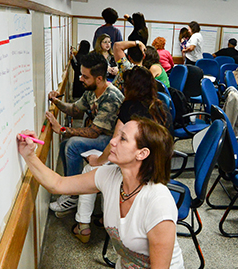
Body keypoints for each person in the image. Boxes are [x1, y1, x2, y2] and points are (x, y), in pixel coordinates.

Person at [17, 116, 187, 269]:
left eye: (123, 139)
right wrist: (28, 155)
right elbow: (58, 184)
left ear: (142, 154)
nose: (113, 142)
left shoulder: (158, 202)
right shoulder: (109, 175)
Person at [73, 66, 172, 242]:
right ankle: (106, 216)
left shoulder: (130, 106)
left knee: (91, 169)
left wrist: (98, 160)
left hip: (137, 169)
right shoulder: (162, 106)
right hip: (157, 168)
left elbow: (116, 142)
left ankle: (83, 226)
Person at [45, 52, 124, 214]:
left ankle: (73, 193)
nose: (81, 79)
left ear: (99, 79)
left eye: (85, 76)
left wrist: (62, 130)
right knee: (65, 144)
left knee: (73, 144)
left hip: (113, 140)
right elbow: (75, 109)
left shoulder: (111, 97)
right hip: (101, 136)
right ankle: (70, 189)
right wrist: (56, 101)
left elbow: (94, 132)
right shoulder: (91, 90)